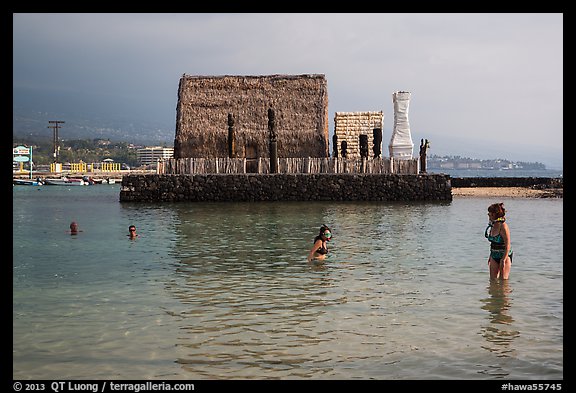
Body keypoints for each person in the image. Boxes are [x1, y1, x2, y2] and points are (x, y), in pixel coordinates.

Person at [485, 203, 513, 280]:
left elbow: (508, 245)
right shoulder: (493, 225)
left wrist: (503, 260)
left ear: (494, 214)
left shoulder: (503, 226)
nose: (488, 215)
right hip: (494, 255)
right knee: (492, 280)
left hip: (504, 255)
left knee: (503, 281)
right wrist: (490, 256)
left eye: (489, 213)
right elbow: (492, 243)